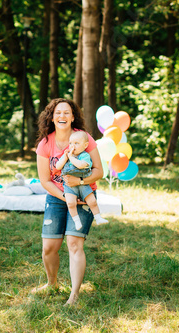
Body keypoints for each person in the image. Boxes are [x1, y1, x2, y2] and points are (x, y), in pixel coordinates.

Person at [32, 98, 104, 305]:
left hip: (83, 194)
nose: (62, 116)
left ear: (73, 117)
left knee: (74, 244)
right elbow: (45, 180)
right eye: (58, 113)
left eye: (67, 112)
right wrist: (65, 196)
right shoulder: (45, 144)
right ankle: (52, 283)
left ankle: (74, 295)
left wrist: (80, 182)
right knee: (49, 248)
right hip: (57, 197)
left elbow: (99, 171)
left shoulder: (85, 138)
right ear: (52, 117)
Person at [55, 131, 109, 229]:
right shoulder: (66, 155)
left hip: (83, 184)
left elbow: (80, 165)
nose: (72, 146)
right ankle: (76, 221)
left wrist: (71, 158)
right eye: (70, 143)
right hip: (69, 185)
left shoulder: (85, 156)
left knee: (92, 201)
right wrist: (65, 158)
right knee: (70, 203)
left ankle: (98, 217)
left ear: (85, 145)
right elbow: (58, 166)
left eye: (76, 143)